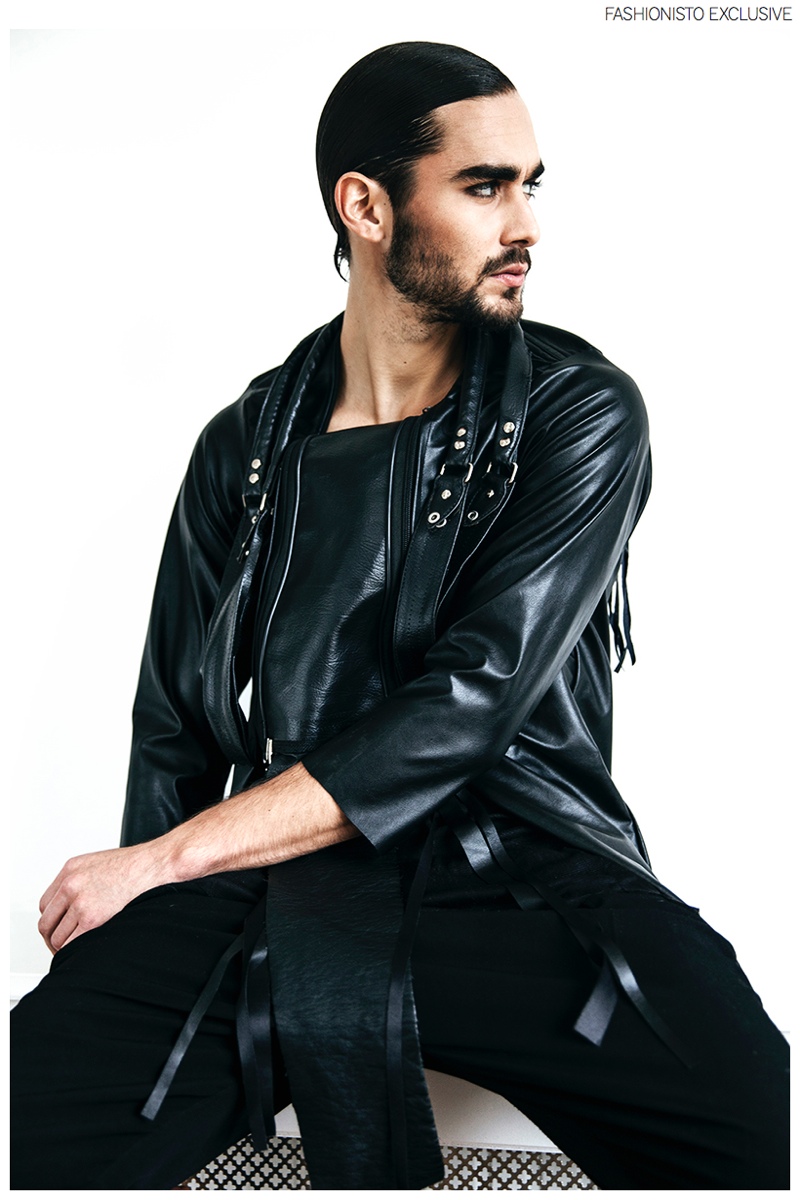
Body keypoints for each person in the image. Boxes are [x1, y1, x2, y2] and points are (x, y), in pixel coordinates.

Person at [10, 41, 789, 1191]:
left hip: (522, 869)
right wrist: (137, 898)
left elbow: (466, 705)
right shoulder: (244, 446)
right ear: (366, 207)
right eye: (483, 187)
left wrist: (168, 856)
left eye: (530, 185)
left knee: (763, 1134)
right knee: (33, 1116)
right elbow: (173, 725)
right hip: (281, 876)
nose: (524, 224)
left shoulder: (577, 411)